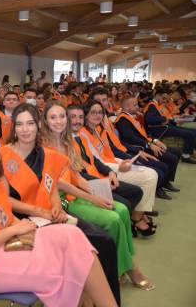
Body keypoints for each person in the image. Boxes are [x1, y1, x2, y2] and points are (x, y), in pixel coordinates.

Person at [0, 121, 118, 307]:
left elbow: (4, 213)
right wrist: (15, 230)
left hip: (7, 242)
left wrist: (27, 228)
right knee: (66, 266)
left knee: (73, 237)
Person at [1, 104, 121, 304]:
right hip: (22, 218)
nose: (25, 129)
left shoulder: (45, 154)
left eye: (30, 123)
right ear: (13, 127)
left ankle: (101, 299)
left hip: (51, 214)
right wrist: (41, 211)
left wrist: (56, 206)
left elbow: (53, 186)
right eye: (20, 124)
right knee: (94, 242)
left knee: (105, 241)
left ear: (39, 125)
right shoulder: (3, 155)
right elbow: (4, 199)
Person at [40, 101, 155, 289]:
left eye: (62, 116)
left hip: (76, 193)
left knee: (123, 209)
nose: (59, 121)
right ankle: (128, 268)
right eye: (53, 117)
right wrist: (93, 198)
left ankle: (123, 265)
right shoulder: (43, 147)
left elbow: (75, 174)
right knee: (112, 219)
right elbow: (59, 183)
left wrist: (96, 192)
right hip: (59, 199)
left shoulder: (67, 142)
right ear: (45, 121)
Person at [81, 100, 158, 236]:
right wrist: (117, 167)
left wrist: (123, 160)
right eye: (93, 112)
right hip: (102, 170)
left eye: (100, 112)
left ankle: (138, 214)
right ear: (85, 114)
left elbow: (108, 153)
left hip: (109, 164)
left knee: (151, 172)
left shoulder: (98, 129)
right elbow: (95, 162)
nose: (97, 115)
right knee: (150, 176)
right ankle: (137, 217)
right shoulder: (83, 133)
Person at [115, 97, 181, 193]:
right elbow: (131, 138)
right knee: (171, 158)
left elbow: (143, 134)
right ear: (127, 107)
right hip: (138, 148)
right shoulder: (123, 120)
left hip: (146, 143)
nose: (138, 107)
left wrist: (155, 141)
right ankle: (160, 186)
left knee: (176, 152)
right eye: (135, 105)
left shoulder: (132, 117)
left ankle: (166, 181)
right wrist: (149, 144)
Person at [144, 88, 196, 163]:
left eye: (166, 99)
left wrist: (171, 121)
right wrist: (164, 119)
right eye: (163, 98)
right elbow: (149, 119)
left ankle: (191, 152)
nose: (164, 101)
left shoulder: (156, 105)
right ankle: (186, 156)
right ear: (157, 95)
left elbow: (161, 118)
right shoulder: (152, 105)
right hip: (159, 129)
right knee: (190, 134)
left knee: (194, 131)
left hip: (164, 126)